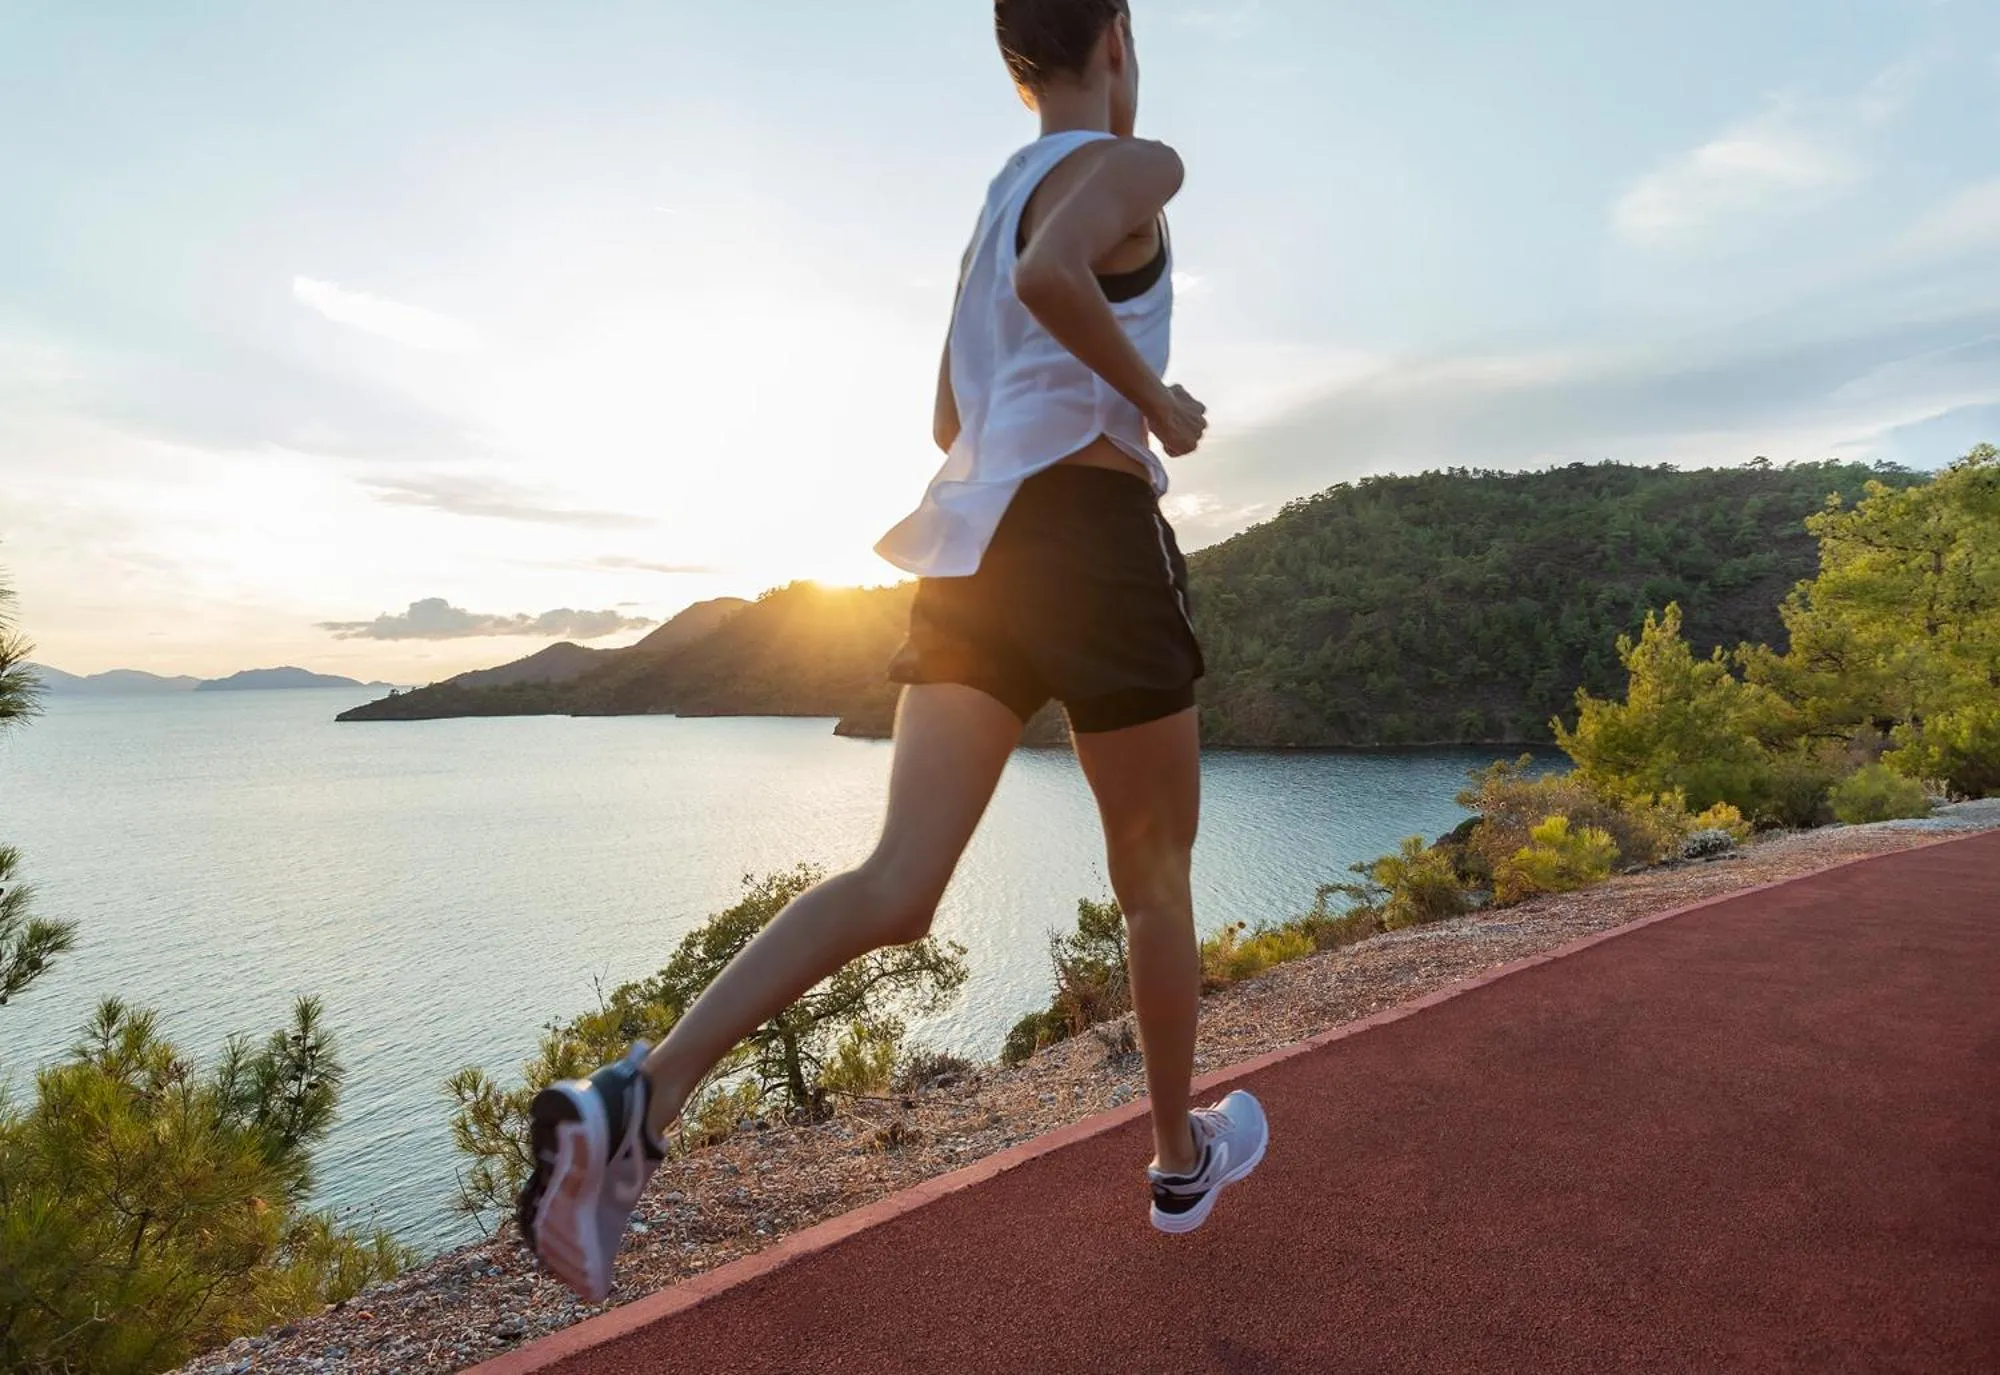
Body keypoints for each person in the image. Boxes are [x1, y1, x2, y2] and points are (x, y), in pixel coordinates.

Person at [518, 0, 1268, 1304]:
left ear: (1012, 62)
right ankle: (1173, 1157)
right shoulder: (1143, 169)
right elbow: (1058, 279)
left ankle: (642, 1095)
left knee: (897, 879)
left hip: (977, 555)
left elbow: (945, 413)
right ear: (1117, 41)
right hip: (1092, 537)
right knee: (1154, 875)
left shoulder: (992, 209)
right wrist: (1156, 401)